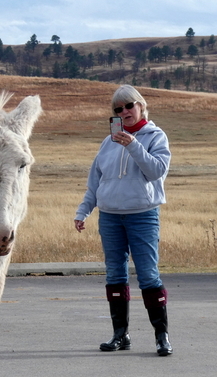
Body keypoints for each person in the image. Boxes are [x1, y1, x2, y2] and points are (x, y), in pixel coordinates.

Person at [74, 84, 173, 356]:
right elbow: (95, 183)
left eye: (129, 105)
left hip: (142, 215)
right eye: (118, 109)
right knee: (115, 275)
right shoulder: (108, 142)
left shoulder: (155, 136)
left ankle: (161, 335)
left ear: (140, 105)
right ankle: (120, 334)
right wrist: (83, 212)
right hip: (110, 218)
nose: (124, 111)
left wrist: (134, 146)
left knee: (148, 275)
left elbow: (156, 171)